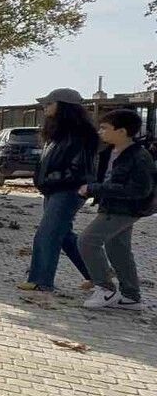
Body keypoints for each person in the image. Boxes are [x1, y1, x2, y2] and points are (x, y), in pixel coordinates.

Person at [19, 88, 98, 292]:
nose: (45, 107)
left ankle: (40, 280)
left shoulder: (80, 134)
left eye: (49, 103)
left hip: (68, 191)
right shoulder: (56, 132)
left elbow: (78, 170)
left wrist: (52, 180)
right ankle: (99, 275)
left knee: (47, 234)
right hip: (54, 190)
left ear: (63, 107)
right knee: (63, 235)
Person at [79, 109, 156, 310]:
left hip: (124, 209)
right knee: (118, 249)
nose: (100, 132)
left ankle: (105, 289)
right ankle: (131, 297)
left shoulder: (139, 156)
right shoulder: (110, 151)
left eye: (105, 128)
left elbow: (139, 189)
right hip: (112, 206)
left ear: (122, 131)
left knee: (88, 240)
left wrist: (94, 189)